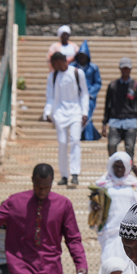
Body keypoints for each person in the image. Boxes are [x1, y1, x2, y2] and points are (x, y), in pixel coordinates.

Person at [44, 52, 89, 187]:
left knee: (75, 140)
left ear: (62, 61)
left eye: (55, 63)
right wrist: (47, 112)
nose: (54, 66)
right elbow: (50, 97)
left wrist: (84, 112)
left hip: (75, 112)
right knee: (62, 143)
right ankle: (64, 175)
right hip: (59, 114)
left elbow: (84, 93)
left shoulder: (77, 73)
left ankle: (75, 174)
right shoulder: (52, 76)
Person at [93, 151, 137, 262]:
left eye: (122, 167)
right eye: (116, 166)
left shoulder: (134, 185)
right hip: (109, 231)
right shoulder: (102, 184)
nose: (119, 169)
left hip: (130, 232)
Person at [102, 58, 137, 159]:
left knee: (129, 147)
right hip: (115, 121)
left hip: (131, 121)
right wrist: (104, 123)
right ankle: (114, 168)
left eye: (127, 68)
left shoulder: (136, 86)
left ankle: (128, 169)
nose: (125, 71)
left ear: (130, 69)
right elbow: (107, 106)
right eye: (123, 68)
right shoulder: (113, 86)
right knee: (112, 145)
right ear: (120, 69)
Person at [71, 41, 101, 141]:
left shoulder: (93, 68)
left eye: (84, 56)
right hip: (75, 96)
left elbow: (97, 83)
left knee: (86, 117)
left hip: (89, 97)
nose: (82, 58)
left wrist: (89, 93)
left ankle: (89, 137)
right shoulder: (72, 67)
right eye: (80, 56)